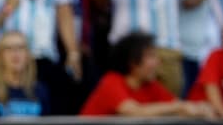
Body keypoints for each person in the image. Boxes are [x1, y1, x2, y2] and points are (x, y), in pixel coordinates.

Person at [80, 31, 214, 118]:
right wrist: (179, 107)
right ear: (132, 62)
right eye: (151, 56)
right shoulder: (111, 81)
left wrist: (200, 109)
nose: (157, 62)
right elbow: (133, 112)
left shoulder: (151, 86)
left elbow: (180, 107)